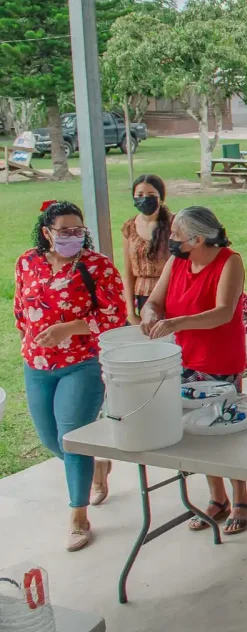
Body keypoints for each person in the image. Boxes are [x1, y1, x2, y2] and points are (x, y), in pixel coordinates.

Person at [16, 201, 127, 551]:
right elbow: (20, 306)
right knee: (50, 439)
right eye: (64, 231)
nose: (73, 236)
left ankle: (78, 516)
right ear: (47, 232)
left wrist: (70, 328)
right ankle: (96, 467)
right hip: (36, 363)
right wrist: (29, 338)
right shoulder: (27, 261)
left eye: (78, 230)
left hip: (81, 363)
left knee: (71, 439)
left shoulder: (97, 267)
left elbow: (114, 316)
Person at [140, 206, 247, 535]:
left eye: (176, 235)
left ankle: (241, 498)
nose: (171, 239)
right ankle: (217, 498)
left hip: (219, 361)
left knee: (225, 432)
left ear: (197, 239)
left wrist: (175, 322)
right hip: (183, 360)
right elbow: (155, 301)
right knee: (197, 432)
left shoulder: (230, 261)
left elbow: (222, 312)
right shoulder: (178, 261)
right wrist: (149, 313)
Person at [121, 174, 172, 324]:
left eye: (151, 195)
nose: (145, 199)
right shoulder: (129, 227)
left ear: (160, 198)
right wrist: (130, 311)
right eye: (140, 195)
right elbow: (128, 272)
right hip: (143, 295)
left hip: (171, 292)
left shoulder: (174, 224)